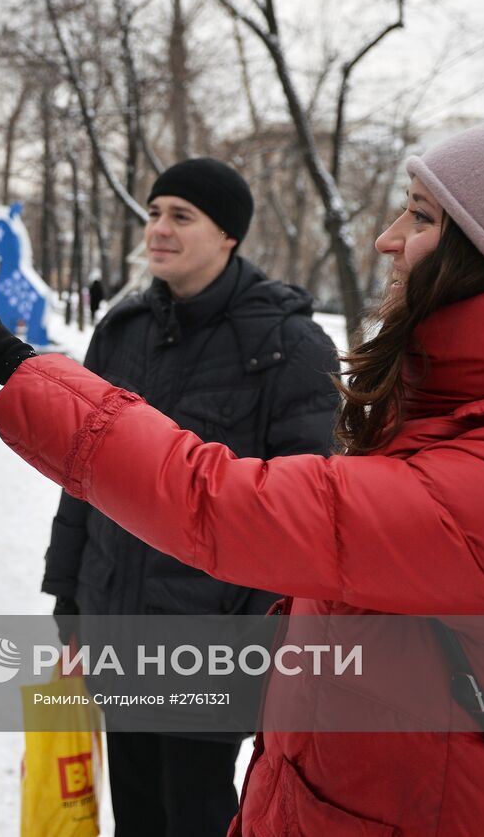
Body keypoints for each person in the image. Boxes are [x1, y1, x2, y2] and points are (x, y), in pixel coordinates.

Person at [0, 111, 484, 837]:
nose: (387, 239)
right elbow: (95, 504)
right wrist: (71, 598)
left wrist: (30, 374)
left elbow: (249, 507)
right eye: (155, 212)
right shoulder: (457, 418)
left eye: (423, 218)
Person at [44, 158, 339, 834]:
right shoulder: (123, 330)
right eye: (153, 213)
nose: (160, 229)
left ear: (229, 235)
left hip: (215, 636)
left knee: (199, 813)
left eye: (182, 216)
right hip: (117, 616)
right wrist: (69, 597)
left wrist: (252, 623)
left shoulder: (288, 345)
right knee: (138, 813)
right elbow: (83, 474)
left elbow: (308, 507)